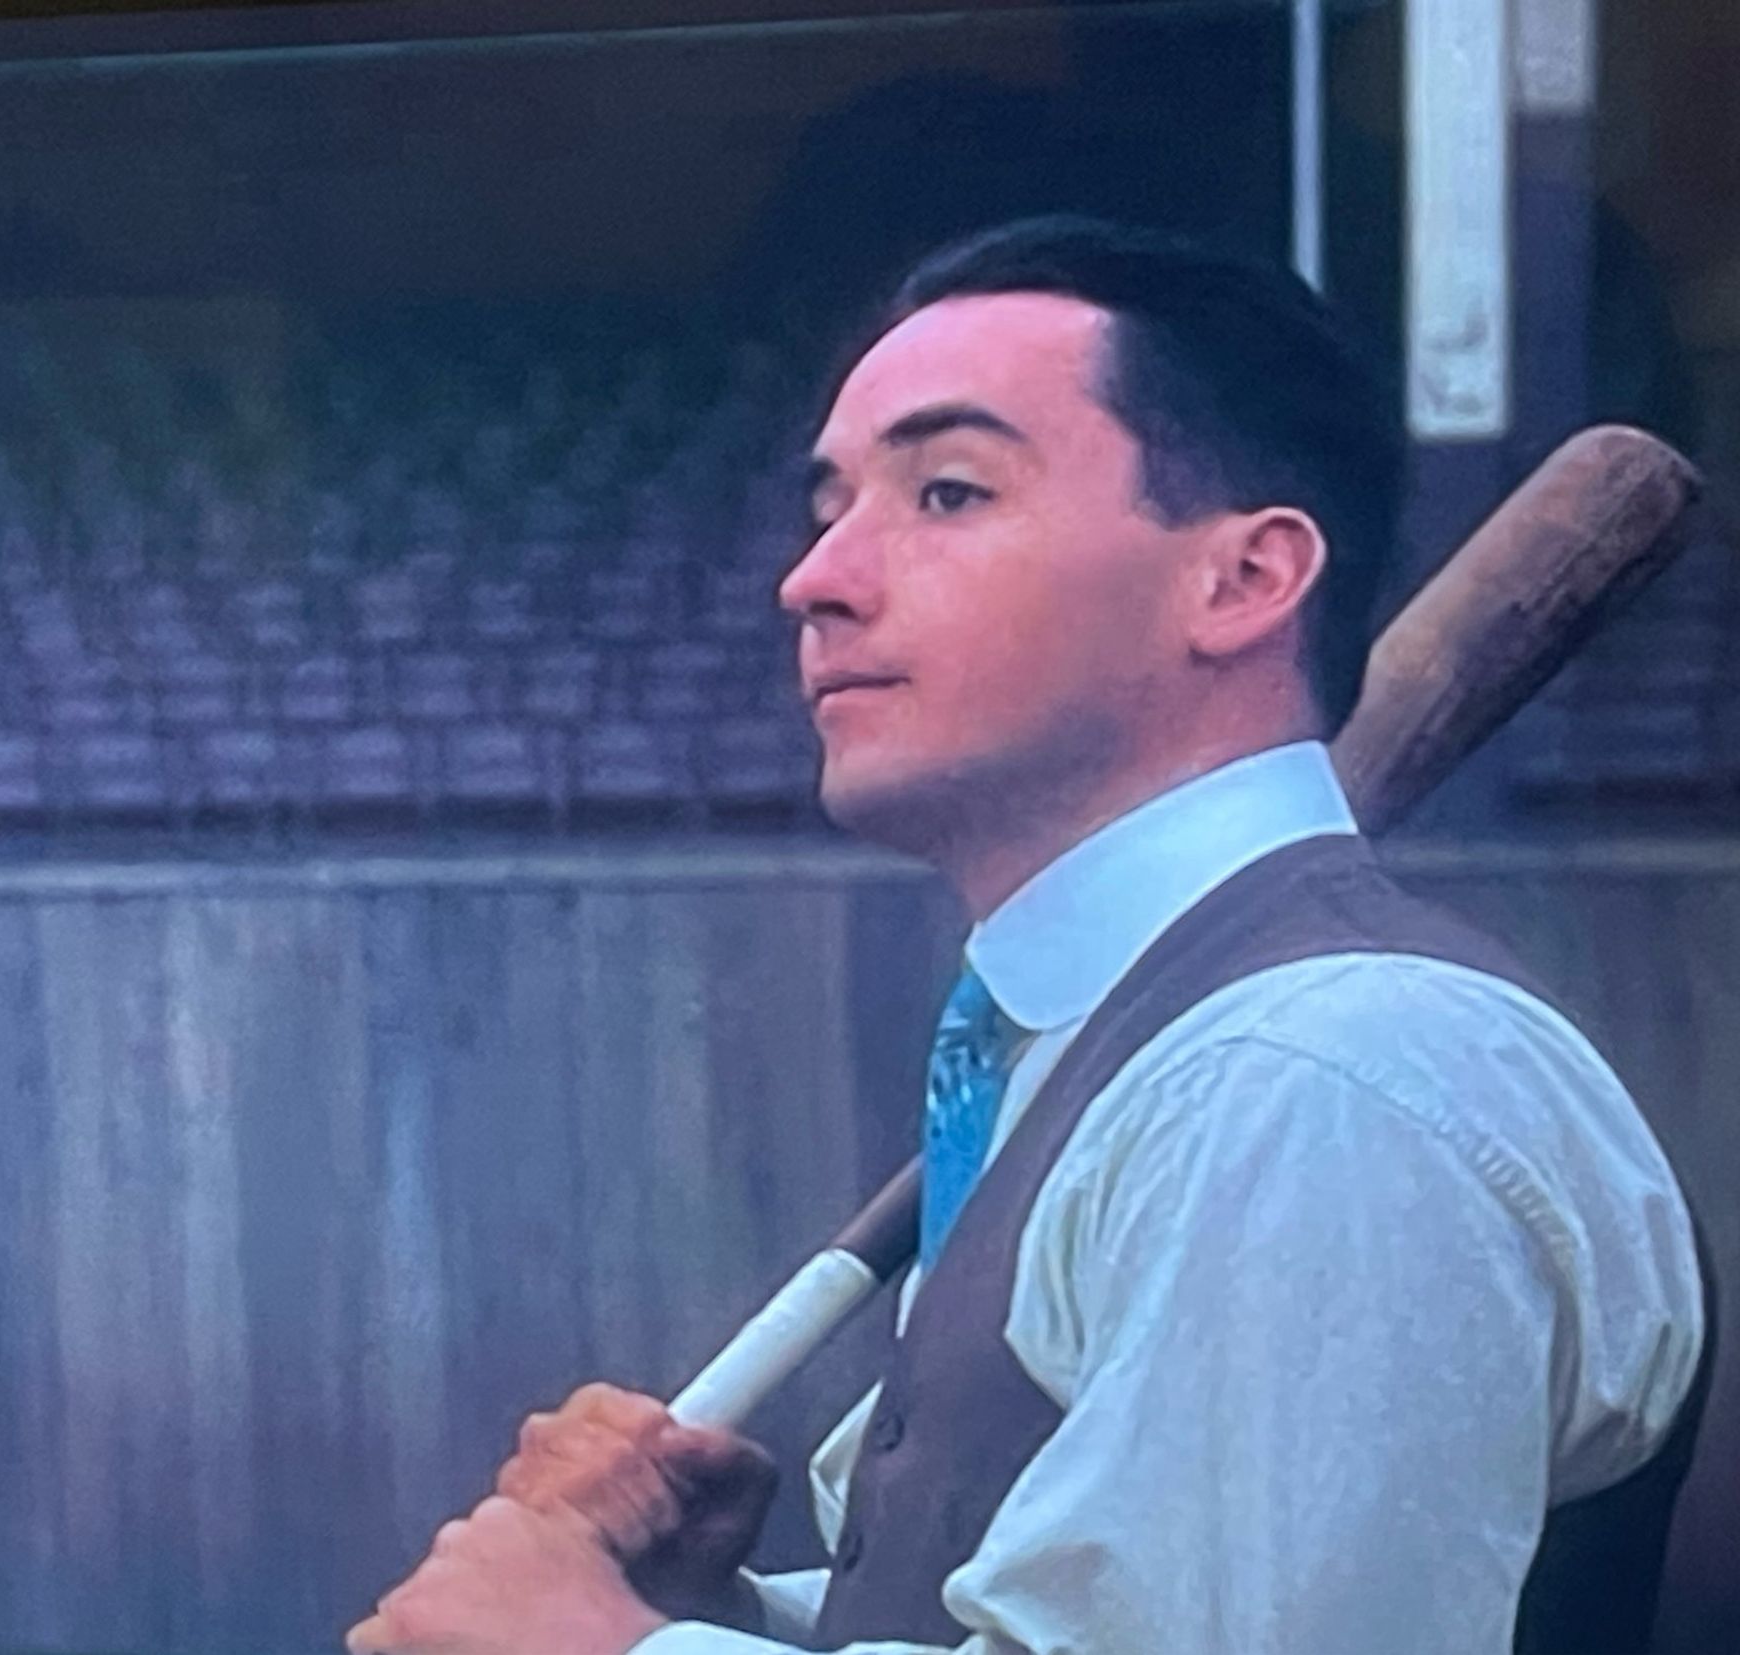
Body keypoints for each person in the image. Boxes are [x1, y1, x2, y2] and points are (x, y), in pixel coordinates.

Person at [345, 216, 1709, 1655]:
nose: (815, 579)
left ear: (1243, 581)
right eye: (829, 506)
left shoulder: (1318, 1078)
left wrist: (594, 1652)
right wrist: (709, 1614)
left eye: (946, 491)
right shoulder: (1097, 1049)